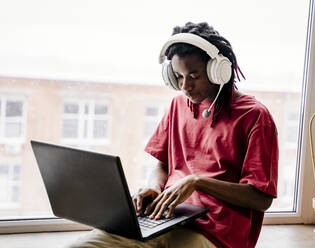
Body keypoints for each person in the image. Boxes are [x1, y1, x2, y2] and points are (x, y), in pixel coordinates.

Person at [66, 22, 278, 248]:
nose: (185, 86)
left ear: (218, 69)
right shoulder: (178, 105)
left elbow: (261, 199)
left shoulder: (255, 116)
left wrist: (198, 183)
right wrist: (155, 187)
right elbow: (161, 165)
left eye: (194, 76)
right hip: (164, 217)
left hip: (216, 233)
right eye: (178, 76)